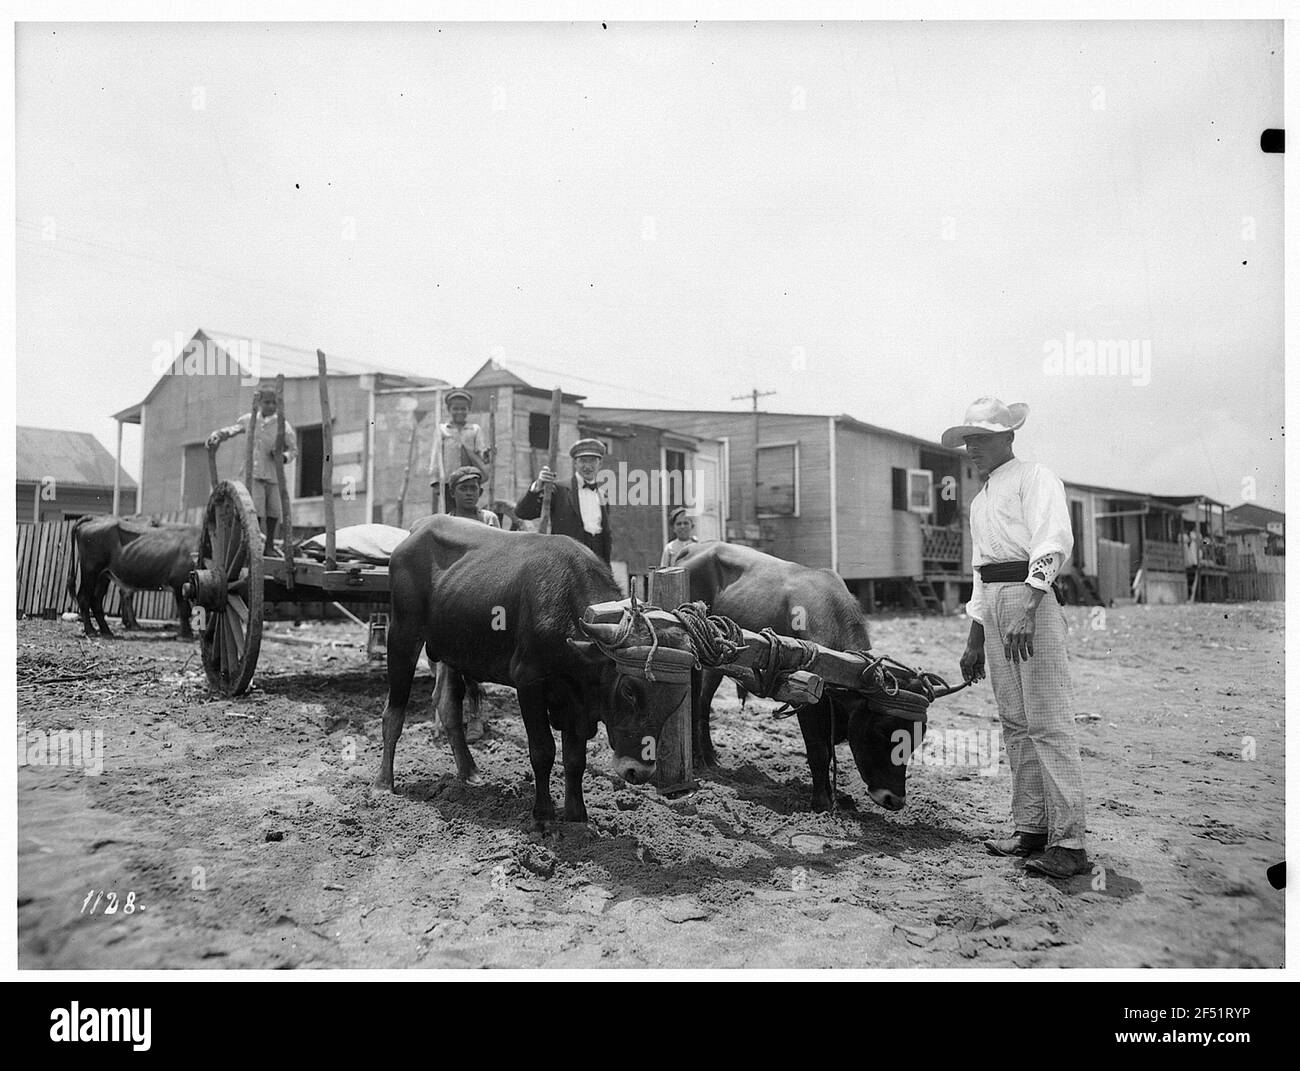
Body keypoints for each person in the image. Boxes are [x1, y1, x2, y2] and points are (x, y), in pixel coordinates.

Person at [945, 397, 1089, 879]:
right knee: (1015, 721)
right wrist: (974, 637)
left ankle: (1068, 843)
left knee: (1047, 719)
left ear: (1008, 438)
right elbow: (979, 573)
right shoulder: (980, 500)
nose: (973, 449)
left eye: (981, 438)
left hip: (1032, 600)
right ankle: (1031, 829)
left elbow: (1053, 541)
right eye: (969, 441)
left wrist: (1029, 604)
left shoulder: (1036, 477)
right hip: (994, 601)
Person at [207, 390, 297, 555]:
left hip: (273, 474)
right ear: (260, 403)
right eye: (267, 402)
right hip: (253, 473)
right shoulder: (250, 419)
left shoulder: (283, 425)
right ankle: (253, 545)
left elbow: (293, 450)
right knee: (256, 510)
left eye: (273, 403)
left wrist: (283, 457)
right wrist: (219, 434)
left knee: (274, 510)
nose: (270, 406)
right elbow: (233, 430)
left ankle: (269, 546)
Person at [514, 438, 612, 563]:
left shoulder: (603, 495)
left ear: (600, 464)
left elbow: (606, 535)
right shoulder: (559, 490)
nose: (587, 466)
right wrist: (538, 486)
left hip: (598, 559)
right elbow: (523, 513)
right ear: (575, 464)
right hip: (568, 560)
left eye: (592, 461)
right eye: (582, 461)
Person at [429, 389, 491, 514]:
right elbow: (436, 456)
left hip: (468, 480)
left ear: (468, 410)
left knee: (467, 513)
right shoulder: (442, 430)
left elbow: (481, 453)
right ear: (449, 410)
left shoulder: (474, 430)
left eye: (463, 409)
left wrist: (488, 455)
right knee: (449, 514)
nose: (459, 412)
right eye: (455, 409)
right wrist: (435, 481)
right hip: (447, 482)